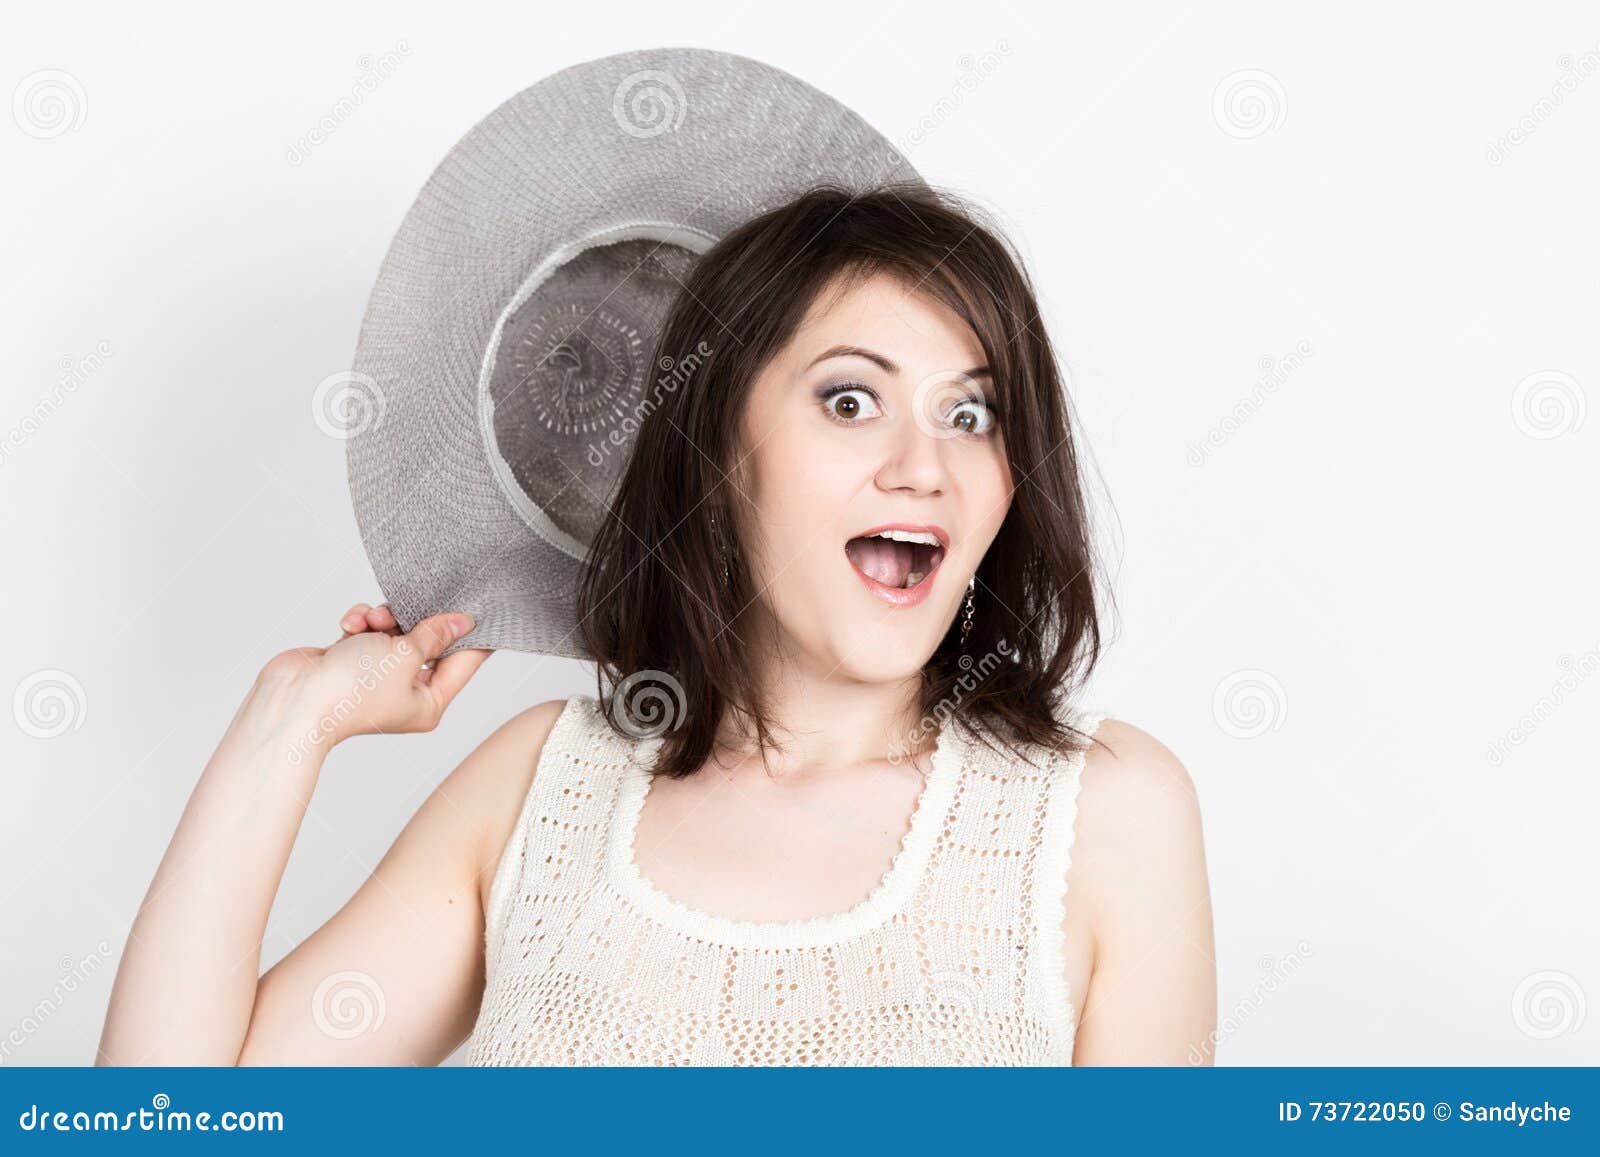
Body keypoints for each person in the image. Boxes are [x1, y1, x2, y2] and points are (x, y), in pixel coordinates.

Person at [99, 185, 1215, 1066]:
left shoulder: (1106, 814)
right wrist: (288, 723)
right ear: (719, 454)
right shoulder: (543, 782)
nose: (922, 467)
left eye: (970, 414)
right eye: (848, 398)